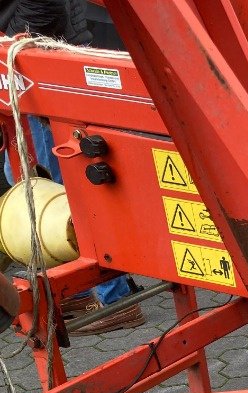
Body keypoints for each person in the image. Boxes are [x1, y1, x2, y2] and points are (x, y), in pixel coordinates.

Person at [3, 0, 144, 335]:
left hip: (35, 64)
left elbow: (44, 6)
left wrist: (11, 45)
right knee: (49, 190)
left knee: (64, 194)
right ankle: (79, 291)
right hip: (29, 61)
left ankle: (115, 300)